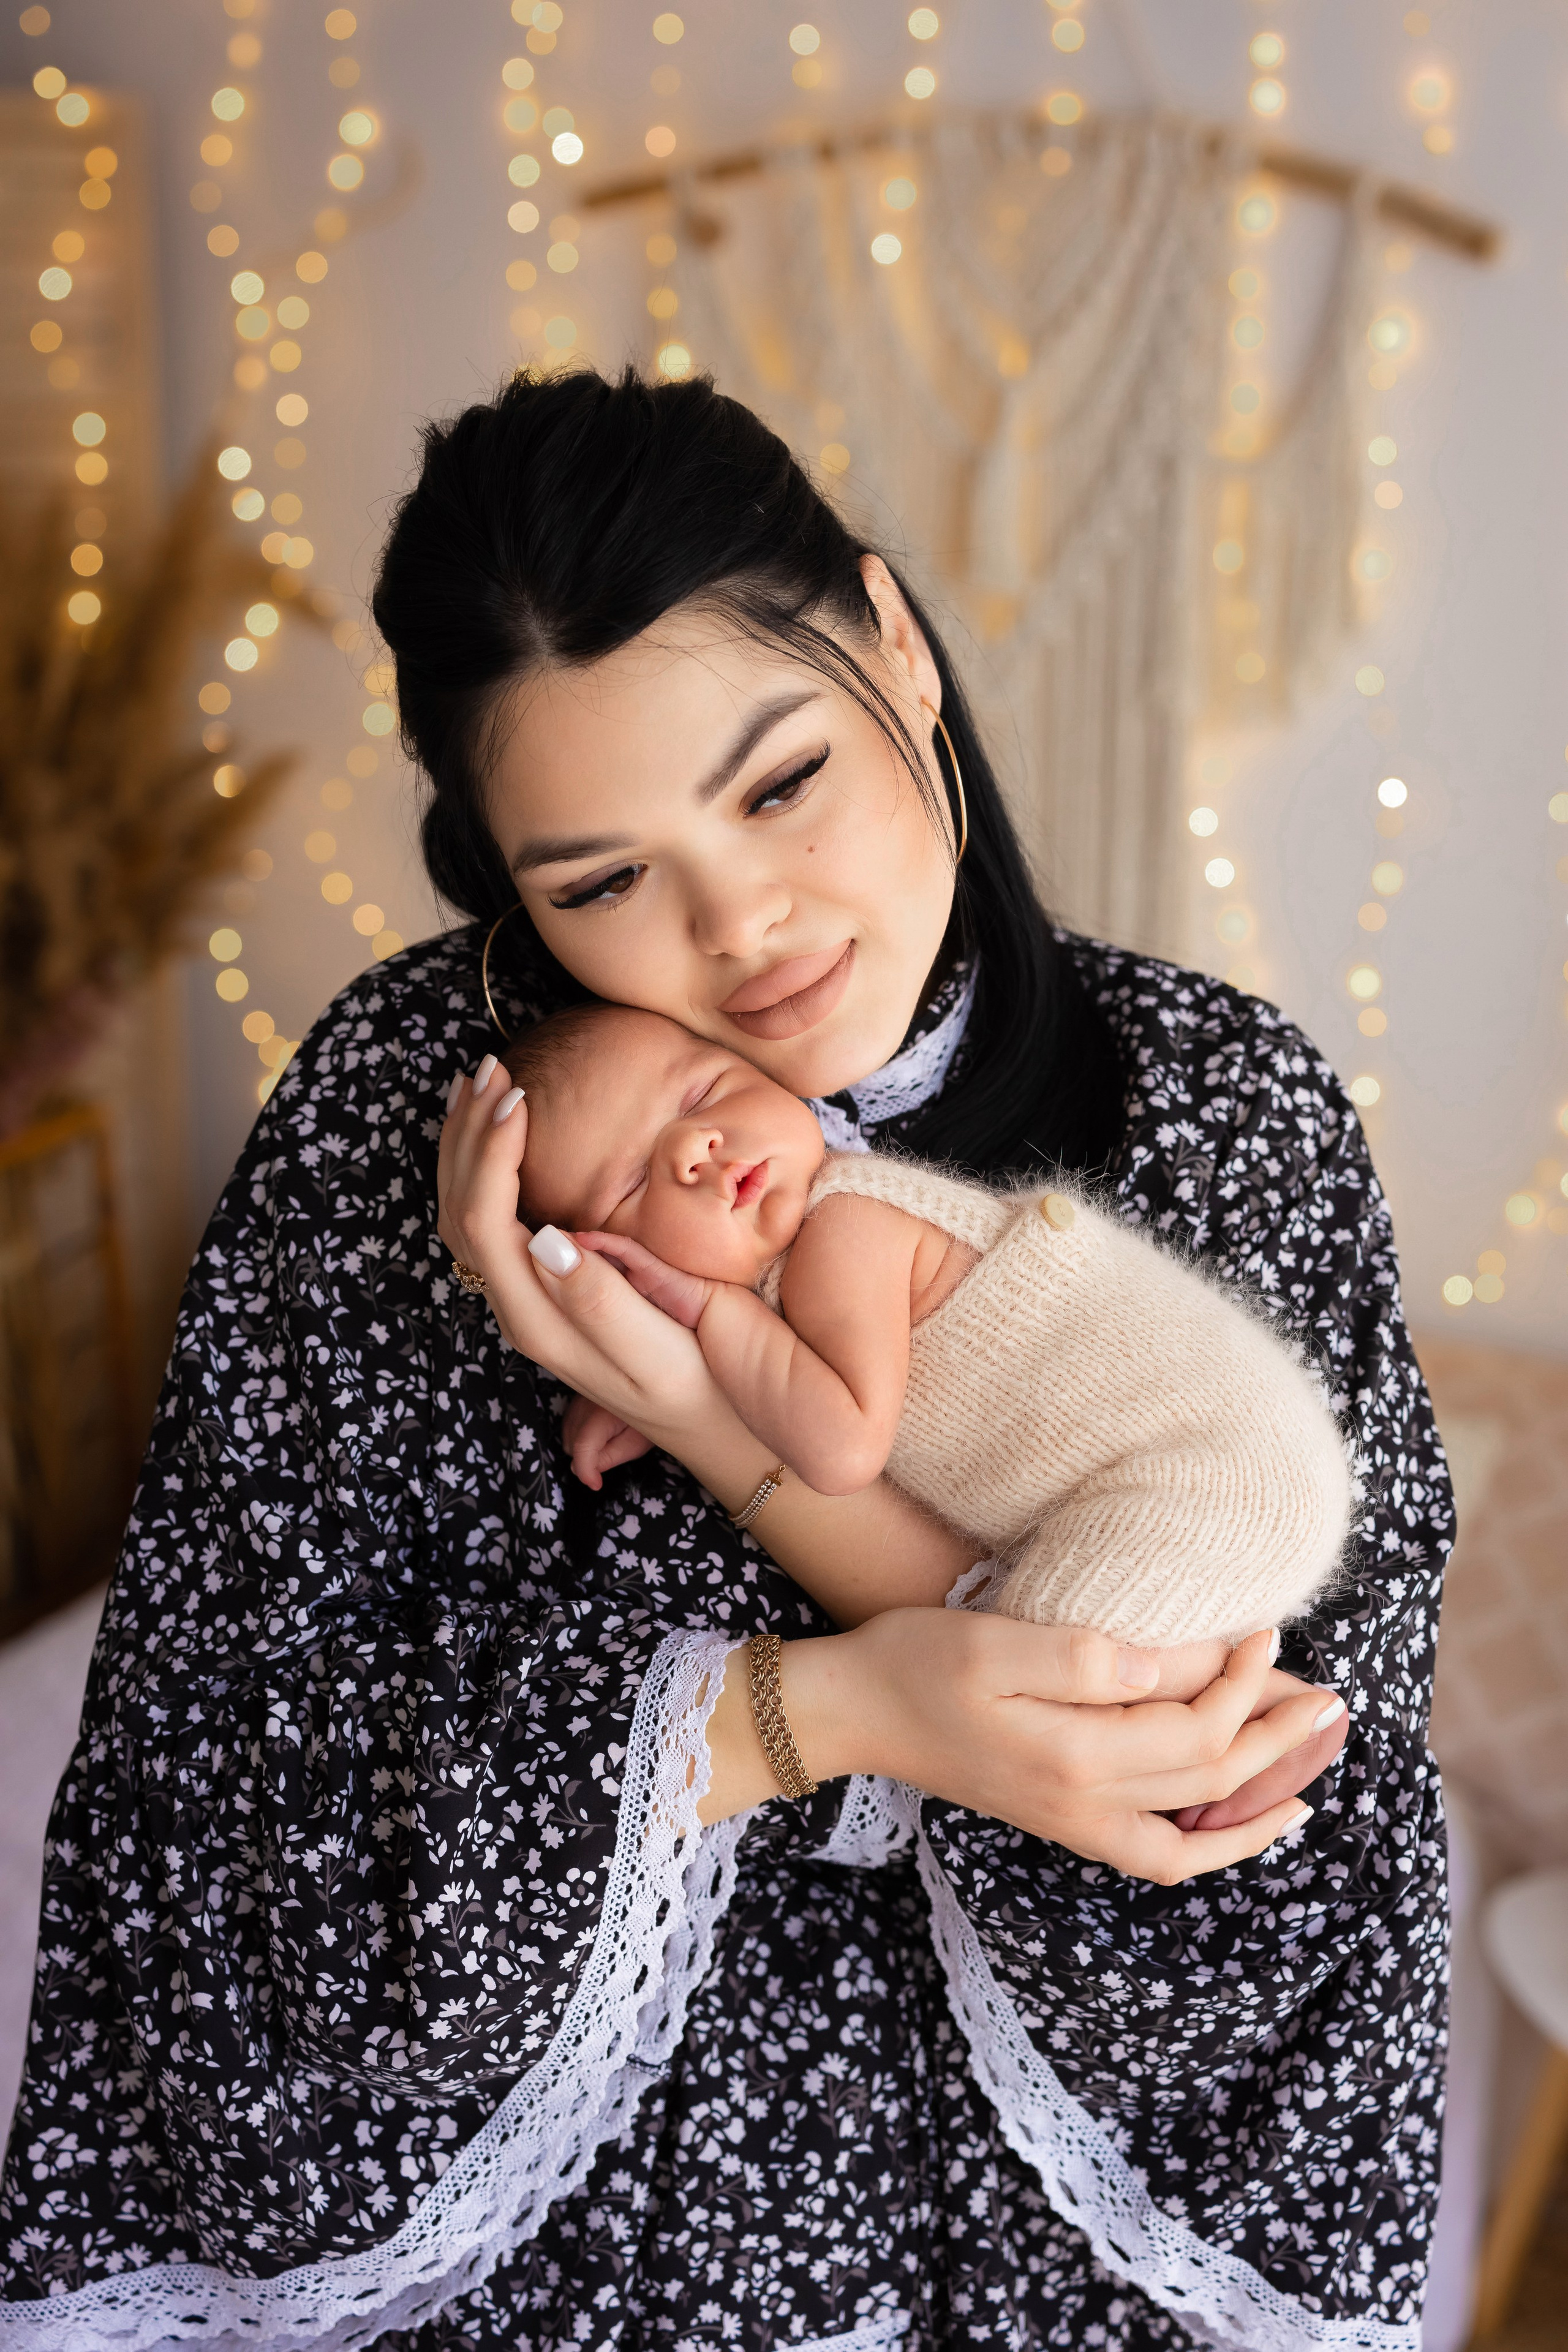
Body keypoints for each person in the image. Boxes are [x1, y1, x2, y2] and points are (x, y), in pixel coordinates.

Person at [0, 369, 1450, 2352]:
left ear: (894, 645)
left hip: (1037, 2280)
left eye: (780, 784)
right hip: (549, 2284)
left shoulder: (1223, 1113)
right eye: (600, 880)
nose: (747, 924)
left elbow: (1263, 1897)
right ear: (502, 880)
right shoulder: (412, 1136)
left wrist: (719, 1431)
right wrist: (830, 1711)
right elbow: (257, 1880)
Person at [489, 998, 1354, 1653]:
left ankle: (1225, 1768)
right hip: (1212, 1477)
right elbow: (791, 1376)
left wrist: (708, 1316)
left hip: (1213, 1481)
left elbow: (839, 1448)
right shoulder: (799, 1275)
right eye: (635, 1182)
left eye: (709, 1090)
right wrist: (671, 1363)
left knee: (1027, 1677)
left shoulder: (848, 1226)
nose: (696, 1147)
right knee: (1053, 1697)